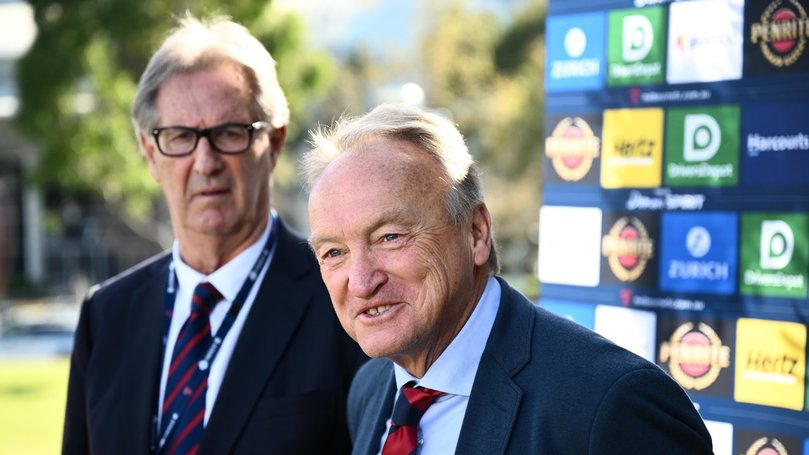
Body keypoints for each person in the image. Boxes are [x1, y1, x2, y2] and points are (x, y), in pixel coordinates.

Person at [303, 104, 713, 454]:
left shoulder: (611, 405)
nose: (360, 281)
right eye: (334, 253)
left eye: (390, 237)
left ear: (476, 233)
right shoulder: (371, 388)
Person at [62, 15, 366, 454]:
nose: (205, 162)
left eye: (228, 133)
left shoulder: (342, 294)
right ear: (150, 153)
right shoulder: (105, 315)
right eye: (180, 136)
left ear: (275, 143)